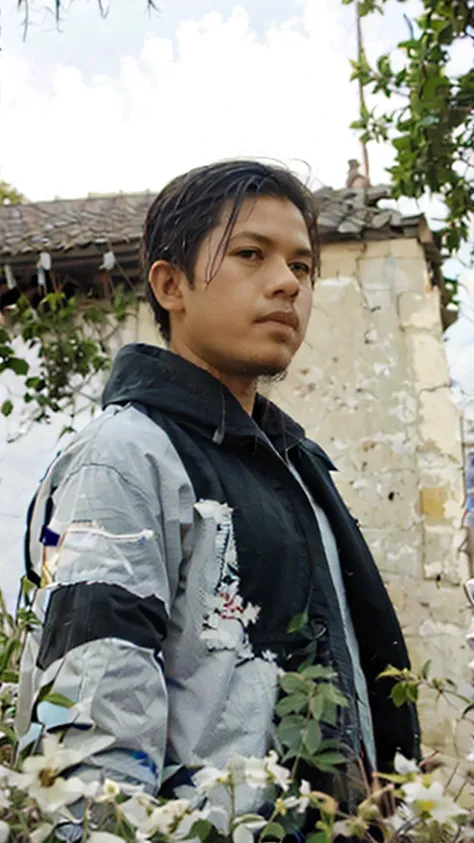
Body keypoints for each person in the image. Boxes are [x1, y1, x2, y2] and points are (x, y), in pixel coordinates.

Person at [17, 160, 419, 827]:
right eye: (250, 254)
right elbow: (90, 744)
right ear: (170, 284)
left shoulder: (298, 471)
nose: (287, 283)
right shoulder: (124, 458)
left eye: (302, 266)